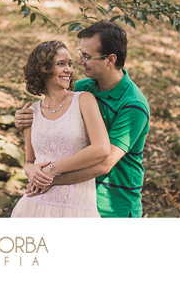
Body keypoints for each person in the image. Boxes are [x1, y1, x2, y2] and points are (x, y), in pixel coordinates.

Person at [14, 21, 150, 218]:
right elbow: (54, 116)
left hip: (114, 205)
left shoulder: (133, 106)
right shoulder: (82, 88)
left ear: (110, 60)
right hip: (73, 200)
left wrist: (49, 177)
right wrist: (22, 120)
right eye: (80, 54)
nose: (78, 63)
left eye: (86, 57)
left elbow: (104, 163)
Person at [10, 40, 110, 218]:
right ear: (43, 69)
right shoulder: (31, 111)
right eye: (60, 64)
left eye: (70, 64)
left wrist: (52, 170)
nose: (69, 70)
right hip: (34, 206)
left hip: (77, 209)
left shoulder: (84, 100)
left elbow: (101, 148)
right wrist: (29, 170)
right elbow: (30, 161)